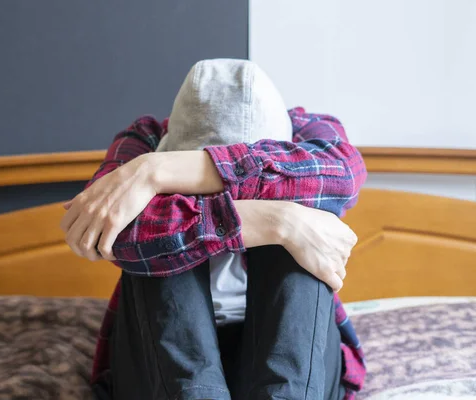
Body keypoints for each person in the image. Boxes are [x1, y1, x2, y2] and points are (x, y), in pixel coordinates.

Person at [61, 59, 367, 399]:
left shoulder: (311, 132)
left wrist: (159, 173)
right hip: (161, 368)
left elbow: (344, 178)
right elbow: (110, 231)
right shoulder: (143, 139)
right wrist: (277, 220)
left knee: (304, 231)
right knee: (156, 244)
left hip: (295, 369)